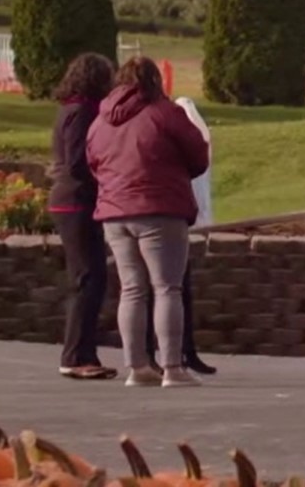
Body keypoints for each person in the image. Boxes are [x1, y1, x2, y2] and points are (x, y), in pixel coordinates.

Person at [86, 57, 210, 388]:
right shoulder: (165, 113)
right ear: (155, 80)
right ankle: (172, 368)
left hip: (114, 211)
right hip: (160, 208)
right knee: (167, 287)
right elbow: (199, 155)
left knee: (131, 288)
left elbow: (93, 162)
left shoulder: (100, 120)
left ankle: (137, 367)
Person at [48, 52, 117, 381]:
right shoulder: (81, 112)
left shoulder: (73, 109)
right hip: (76, 202)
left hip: (74, 201)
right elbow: (78, 162)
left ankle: (84, 353)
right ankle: (74, 355)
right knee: (87, 279)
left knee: (92, 279)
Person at [143, 97, 218, 377]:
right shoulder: (157, 127)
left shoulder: (166, 122)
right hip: (158, 215)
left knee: (172, 289)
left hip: (166, 214)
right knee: (161, 290)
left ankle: (182, 352)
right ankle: (161, 356)